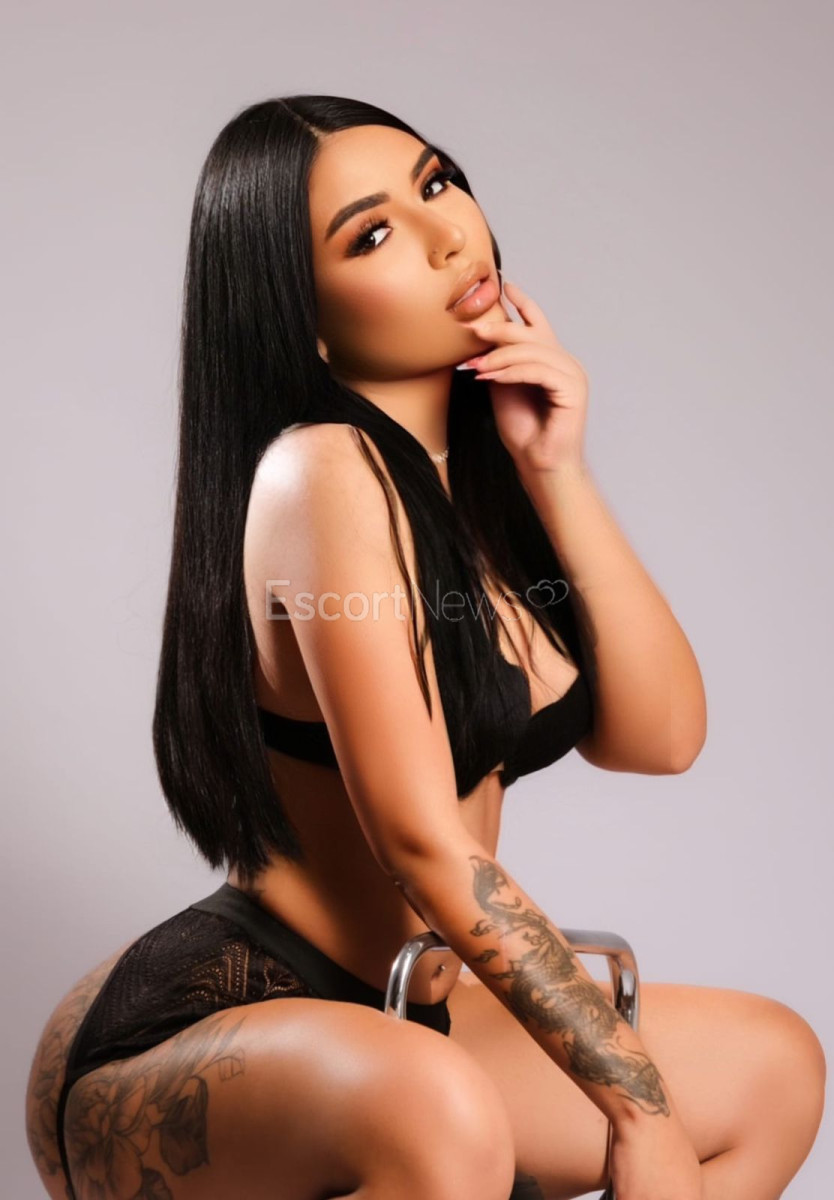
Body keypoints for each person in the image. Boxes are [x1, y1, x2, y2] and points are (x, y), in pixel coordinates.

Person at [26, 95, 825, 1200]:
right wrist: (635, 1106)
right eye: (372, 233)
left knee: (773, 1073)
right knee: (445, 1115)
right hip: (203, 1032)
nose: (449, 234)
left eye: (437, 182)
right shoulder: (320, 472)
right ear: (304, 318)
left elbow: (661, 738)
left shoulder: (472, 495)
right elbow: (420, 840)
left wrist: (556, 466)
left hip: (410, 1009)